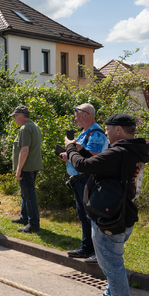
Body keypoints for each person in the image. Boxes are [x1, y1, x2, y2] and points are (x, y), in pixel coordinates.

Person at [66, 113, 149, 296]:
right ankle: (109, 295)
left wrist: (69, 148)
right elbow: (99, 163)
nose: (105, 132)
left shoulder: (119, 152)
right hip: (123, 213)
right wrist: (82, 150)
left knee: (111, 265)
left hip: (110, 218)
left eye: (107, 129)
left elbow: (83, 166)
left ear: (119, 130)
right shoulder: (133, 151)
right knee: (111, 261)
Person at [59, 103, 108, 264]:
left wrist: (73, 148)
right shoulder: (84, 133)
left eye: (76, 115)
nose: (75, 118)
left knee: (91, 216)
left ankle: (95, 251)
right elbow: (79, 156)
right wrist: (69, 155)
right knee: (83, 216)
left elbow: (92, 157)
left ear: (85, 115)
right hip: (79, 180)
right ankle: (86, 247)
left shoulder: (95, 133)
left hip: (88, 179)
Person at [10, 105, 43, 233]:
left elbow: (24, 150)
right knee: (26, 194)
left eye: (15, 116)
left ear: (21, 116)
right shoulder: (34, 126)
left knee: (29, 196)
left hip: (26, 167)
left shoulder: (25, 128)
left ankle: (33, 224)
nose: (14, 119)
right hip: (33, 166)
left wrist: (18, 170)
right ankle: (24, 217)